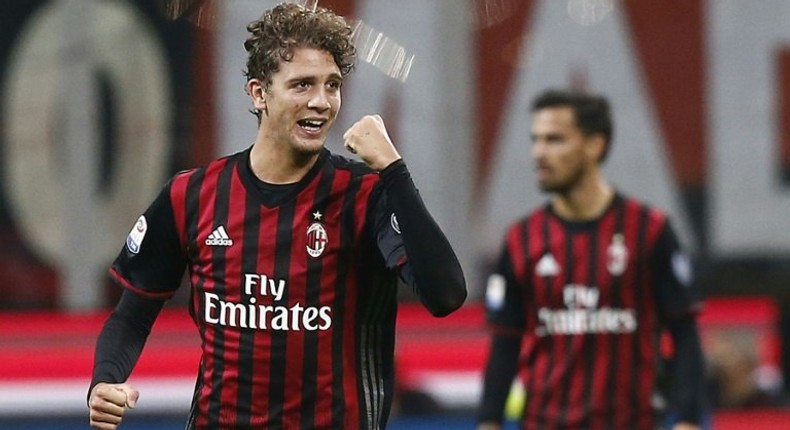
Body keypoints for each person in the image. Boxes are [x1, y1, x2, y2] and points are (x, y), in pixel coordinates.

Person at [87, 3, 467, 429]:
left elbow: (446, 294)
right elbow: (132, 313)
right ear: (258, 93)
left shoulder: (367, 195)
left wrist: (394, 171)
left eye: (333, 85)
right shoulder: (192, 195)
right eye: (302, 85)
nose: (322, 102)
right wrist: (105, 381)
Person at [476, 89, 705, 430]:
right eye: (535, 140)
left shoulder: (649, 231)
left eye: (554, 140)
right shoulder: (521, 239)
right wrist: (488, 421)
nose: (538, 153)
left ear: (595, 146)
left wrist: (687, 420)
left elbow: (685, 334)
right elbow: (504, 343)